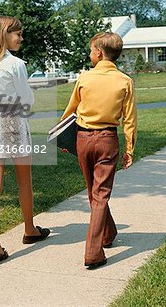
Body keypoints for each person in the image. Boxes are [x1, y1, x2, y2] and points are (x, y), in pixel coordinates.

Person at [0, 16, 50, 266]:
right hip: (14, 122)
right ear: (5, 34)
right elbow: (27, 99)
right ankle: (29, 229)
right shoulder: (15, 64)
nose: (21, 38)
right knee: (24, 180)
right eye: (18, 34)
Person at [61, 32, 137, 269]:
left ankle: (107, 235)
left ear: (100, 52)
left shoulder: (84, 78)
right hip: (106, 140)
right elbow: (130, 120)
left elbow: (71, 109)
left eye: (91, 50)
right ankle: (94, 252)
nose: (90, 54)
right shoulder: (125, 81)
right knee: (100, 193)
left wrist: (64, 139)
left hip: (83, 140)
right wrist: (130, 148)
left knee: (94, 192)